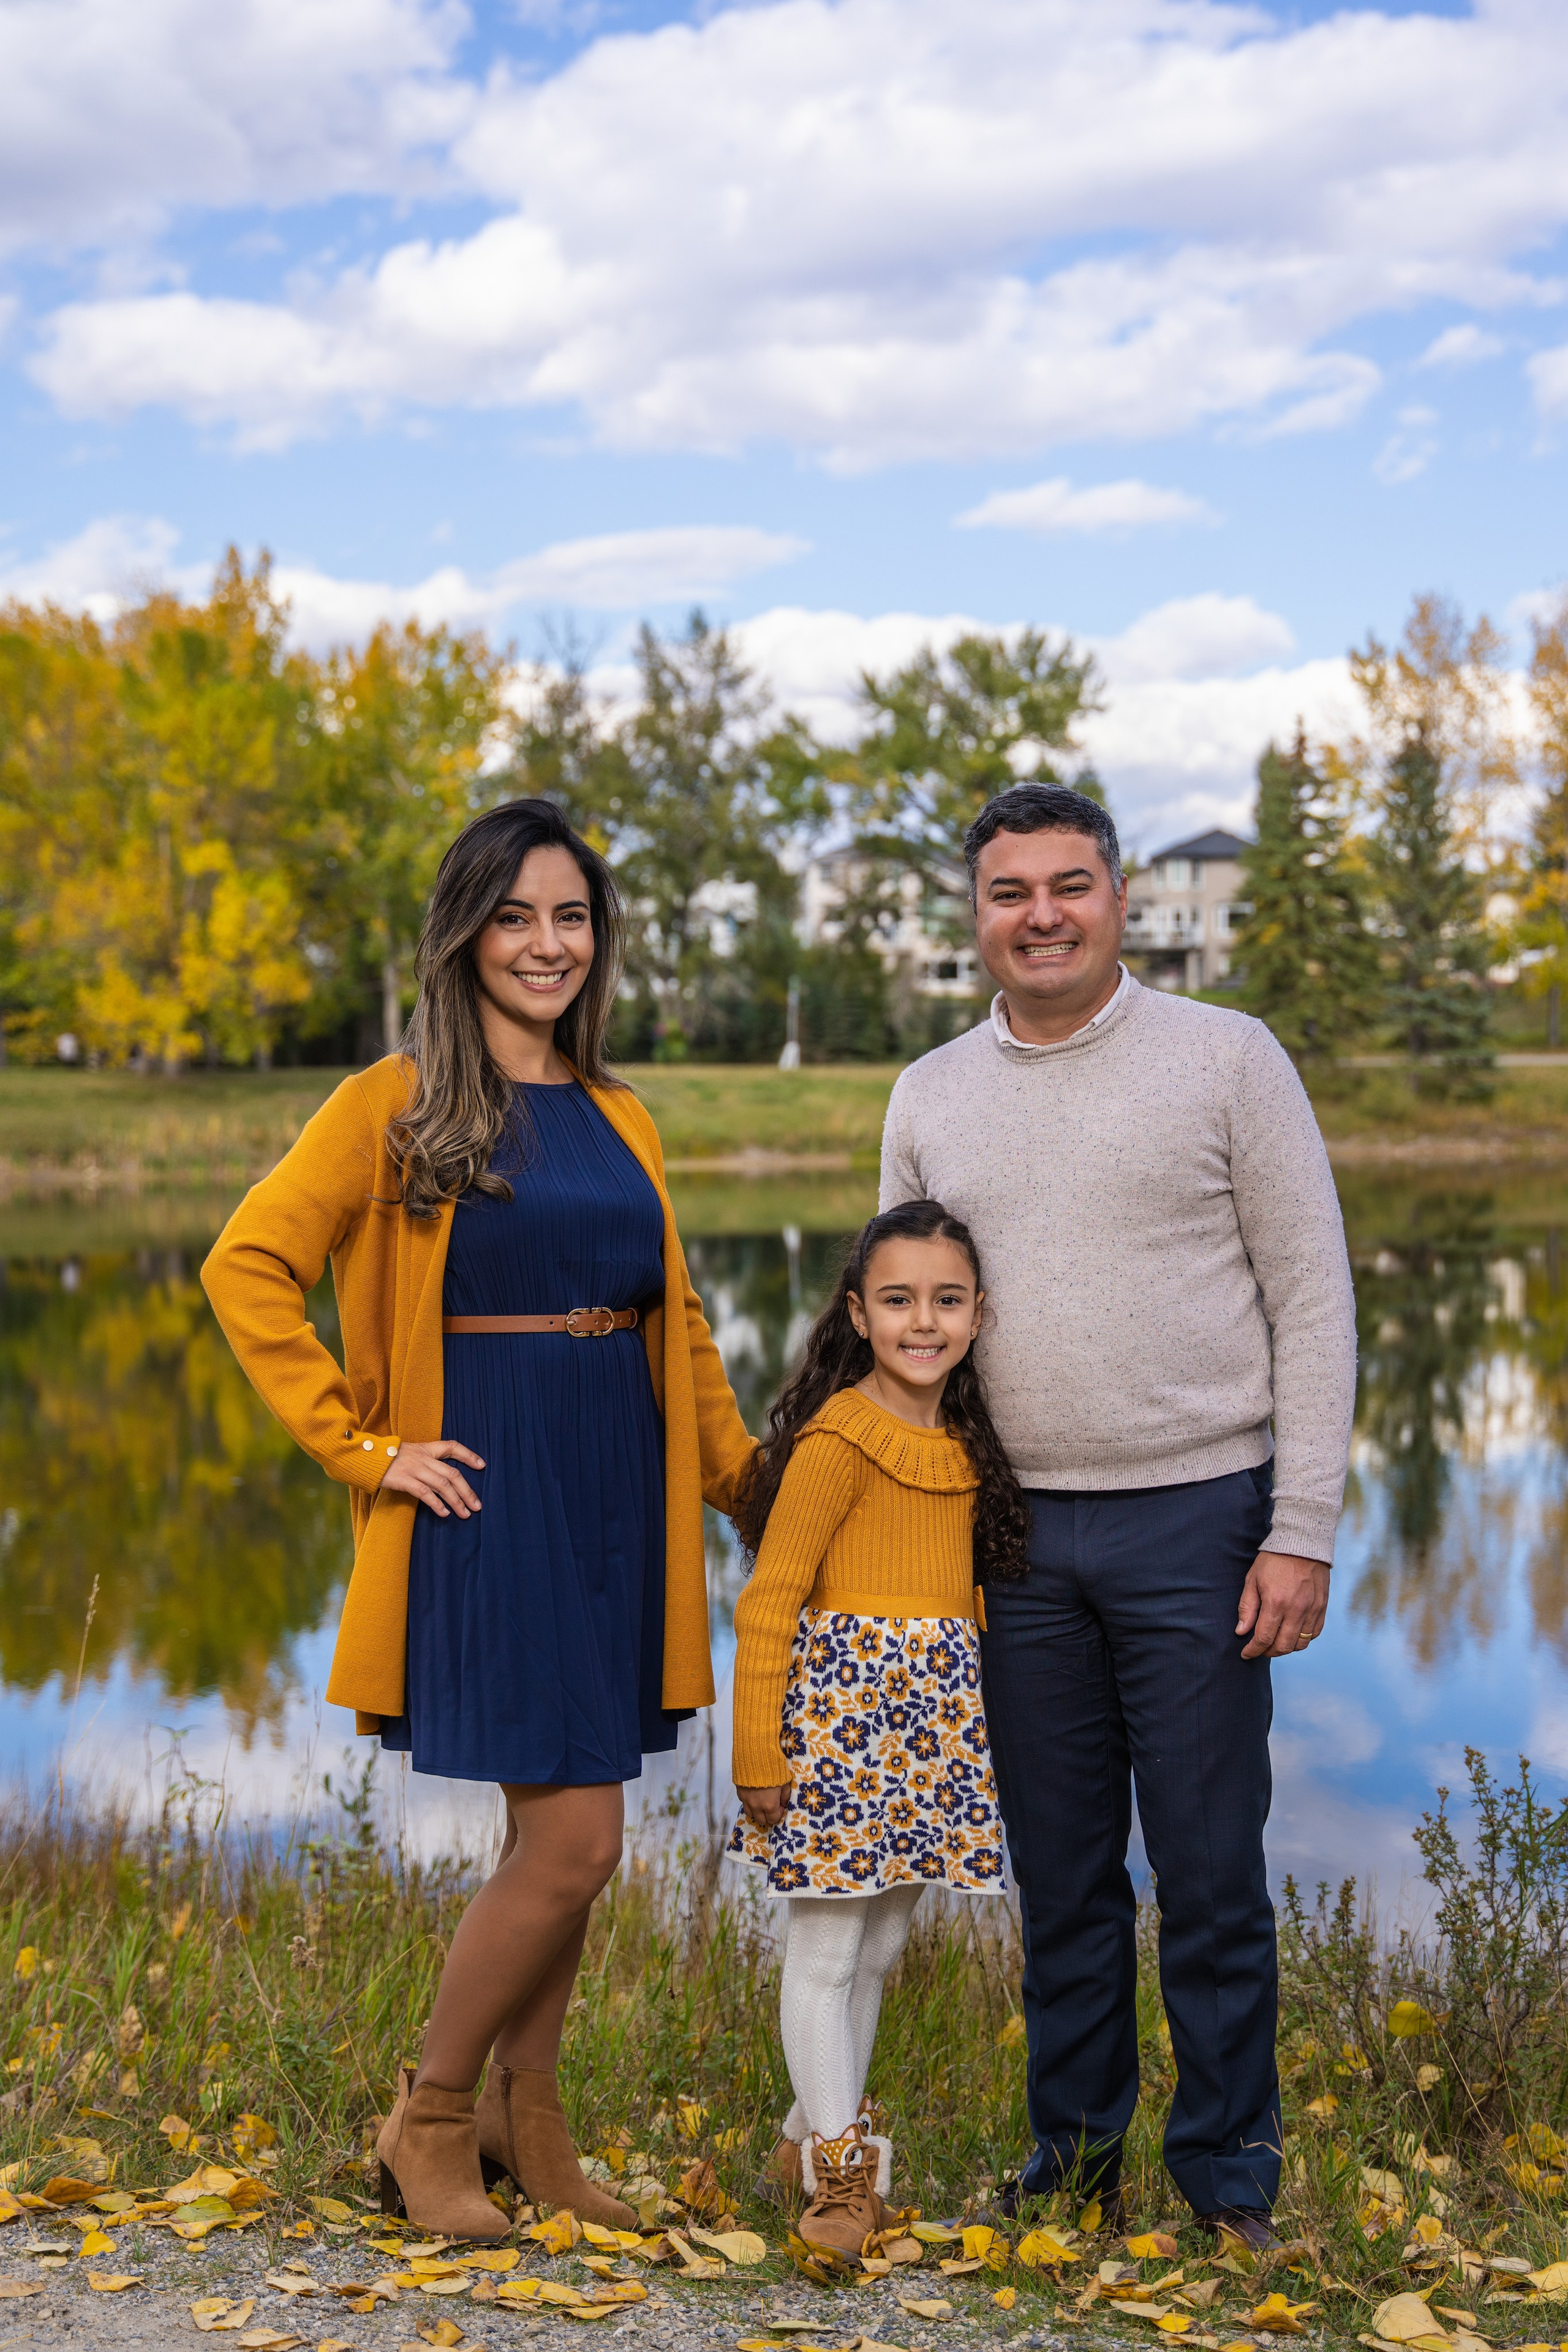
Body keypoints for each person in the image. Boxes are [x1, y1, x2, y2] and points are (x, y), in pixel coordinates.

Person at [202, 797, 756, 2241]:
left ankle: (530, 2120)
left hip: (613, 1487)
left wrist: (752, 1487)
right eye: (514, 917)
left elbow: (678, 1321)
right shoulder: (395, 1103)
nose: (545, 944)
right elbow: (246, 1267)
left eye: (569, 917)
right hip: (488, 1489)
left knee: (563, 1836)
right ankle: (431, 2118)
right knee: (577, 1844)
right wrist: (360, 1447)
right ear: (463, 935)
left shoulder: (619, 1113)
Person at [880, 781, 1357, 2247]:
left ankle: (1227, 2182)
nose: (1040, 915)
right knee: (1063, 1880)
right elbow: (899, 1331)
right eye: (1008, 892)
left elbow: (1311, 1295)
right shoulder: (927, 1093)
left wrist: (1300, 1525)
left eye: (1066, 885)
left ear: (1117, 896)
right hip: (1009, 1540)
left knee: (1208, 1876)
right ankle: (1072, 2169)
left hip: (1198, 1524)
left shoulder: (1227, 1058)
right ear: (976, 914)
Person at [727, 1200, 1028, 2255]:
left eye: (947, 1301)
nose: (923, 1322)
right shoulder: (838, 1437)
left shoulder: (961, 1442)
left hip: (925, 1733)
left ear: (979, 1315)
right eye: (898, 1300)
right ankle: (843, 2175)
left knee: (881, 1944)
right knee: (825, 1951)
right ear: (858, 1314)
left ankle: (804, 2137)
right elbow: (769, 1599)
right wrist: (757, 1750)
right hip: (841, 1729)